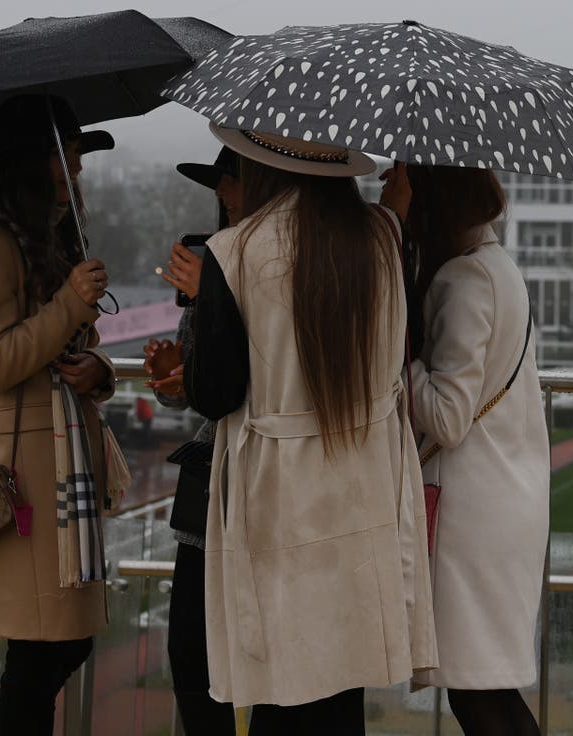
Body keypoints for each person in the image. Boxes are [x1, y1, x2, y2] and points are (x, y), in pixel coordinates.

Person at [183, 124, 435, 734]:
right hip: (365, 482)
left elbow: (214, 393)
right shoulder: (381, 235)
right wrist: (396, 209)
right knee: (343, 681)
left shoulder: (234, 251)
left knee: (284, 682)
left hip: (280, 494)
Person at [0, 94, 126, 735]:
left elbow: (71, 347)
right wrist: (71, 305)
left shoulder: (49, 241)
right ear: (29, 163)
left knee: (55, 649)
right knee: (40, 654)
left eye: (76, 156)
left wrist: (98, 369)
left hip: (60, 471)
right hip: (26, 481)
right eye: (64, 156)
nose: (75, 169)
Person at [381, 163, 549, 736]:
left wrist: (399, 356)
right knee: (487, 692)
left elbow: (448, 417)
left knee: (479, 695)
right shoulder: (499, 269)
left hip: (472, 516)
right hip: (504, 505)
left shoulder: (465, 277)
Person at [142, 146, 242, 735]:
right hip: (209, 486)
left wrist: (212, 294)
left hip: (254, 481)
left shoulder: (271, 264)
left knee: (233, 656)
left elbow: (255, 372)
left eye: (230, 180)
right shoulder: (215, 260)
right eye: (219, 183)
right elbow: (195, 390)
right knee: (190, 652)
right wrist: (171, 375)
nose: (222, 193)